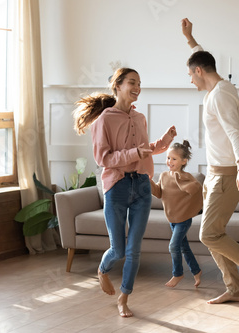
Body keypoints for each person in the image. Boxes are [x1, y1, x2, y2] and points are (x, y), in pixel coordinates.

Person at [181, 18, 239, 306]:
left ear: (198, 72)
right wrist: (190, 39)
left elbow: (235, 132)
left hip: (227, 174)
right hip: (214, 173)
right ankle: (233, 289)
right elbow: (202, 57)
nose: (190, 80)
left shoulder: (220, 95)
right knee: (213, 234)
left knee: (208, 233)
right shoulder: (218, 88)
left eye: (190, 74)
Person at [73, 68, 177, 317]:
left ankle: (124, 298)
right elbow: (103, 158)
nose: (137, 87)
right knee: (118, 250)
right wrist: (134, 154)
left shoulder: (140, 118)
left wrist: (162, 143)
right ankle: (102, 270)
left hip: (141, 185)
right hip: (117, 188)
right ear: (117, 85)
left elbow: (143, 149)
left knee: (134, 250)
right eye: (132, 82)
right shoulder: (104, 120)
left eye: (140, 83)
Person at [150, 140, 203, 288]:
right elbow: (159, 193)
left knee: (173, 246)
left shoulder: (186, 177)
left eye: (174, 159)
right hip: (171, 218)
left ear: (183, 161)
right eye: (168, 158)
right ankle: (197, 271)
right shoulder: (164, 175)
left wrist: (179, 180)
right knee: (183, 247)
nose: (169, 161)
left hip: (183, 219)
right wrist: (149, 183)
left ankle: (177, 273)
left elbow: (194, 189)